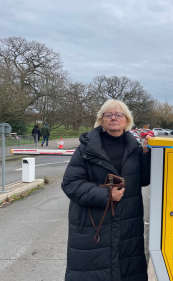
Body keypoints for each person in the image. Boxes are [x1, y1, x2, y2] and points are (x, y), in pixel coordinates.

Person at [61, 99, 151, 281]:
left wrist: (146, 154)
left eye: (119, 114)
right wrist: (106, 194)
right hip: (93, 227)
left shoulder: (134, 148)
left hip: (127, 226)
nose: (113, 118)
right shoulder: (86, 148)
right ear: (101, 120)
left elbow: (144, 180)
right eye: (108, 115)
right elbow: (70, 184)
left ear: (127, 120)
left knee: (126, 271)